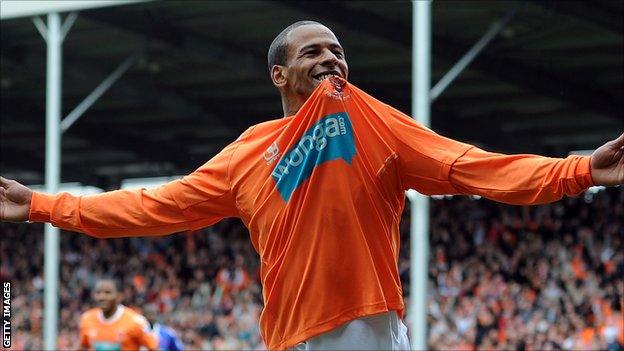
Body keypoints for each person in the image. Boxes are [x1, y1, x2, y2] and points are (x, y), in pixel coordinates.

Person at [1, 20, 623, 350]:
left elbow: (469, 167)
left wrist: (580, 171)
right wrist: (41, 207)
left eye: (338, 50)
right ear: (280, 73)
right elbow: (155, 205)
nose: (331, 58)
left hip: (363, 329)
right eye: (313, 52)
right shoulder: (249, 151)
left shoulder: (371, 120)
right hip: (284, 335)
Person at [78, 277, 158, 351]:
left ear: (119, 296)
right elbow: (84, 346)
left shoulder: (136, 321)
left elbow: (152, 348)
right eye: (98, 293)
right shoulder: (86, 318)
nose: (102, 297)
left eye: (107, 293)